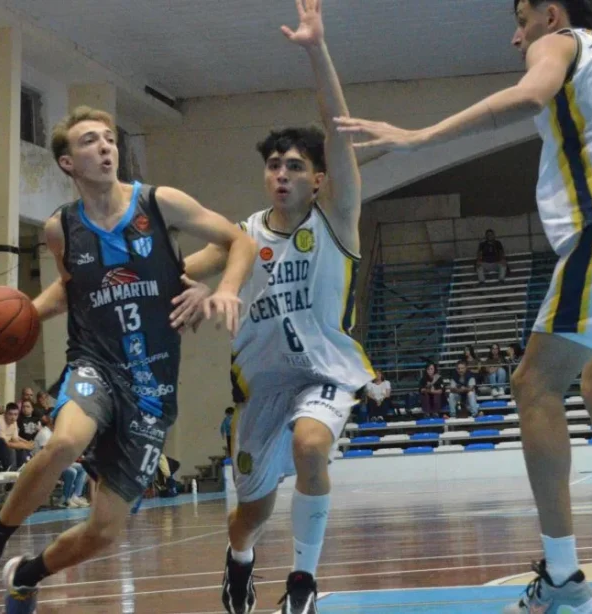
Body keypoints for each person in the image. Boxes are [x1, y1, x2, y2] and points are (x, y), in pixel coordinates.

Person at [336, 2, 592, 611]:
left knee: (534, 385)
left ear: (551, 13)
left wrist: (419, 137)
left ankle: (564, 579)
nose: (518, 38)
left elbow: (527, 97)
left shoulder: (563, 42)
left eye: (521, 20)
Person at [0, 104, 255, 613]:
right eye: (89, 141)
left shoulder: (159, 202)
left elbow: (240, 240)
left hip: (151, 389)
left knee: (105, 532)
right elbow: (74, 290)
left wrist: (222, 289)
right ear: (67, 163)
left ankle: (28, 575)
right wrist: (24, 319)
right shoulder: (61, 230)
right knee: (62, 444)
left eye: (109, 139)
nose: (104, 147)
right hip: (94, 364)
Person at [183, 5, 372, 612]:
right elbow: (178, 274)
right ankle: (240, 565)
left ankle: (303, 581)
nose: (283, 173)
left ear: (319, 180)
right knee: (247, 519)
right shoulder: (241, 236)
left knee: (312, 445)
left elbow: (337, 129)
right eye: (274, 165)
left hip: (323, 372)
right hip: (259, 389)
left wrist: (317, 50)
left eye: (296, 166)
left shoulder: (337, 220)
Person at [33, 415, 89, 508]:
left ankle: (75, 496)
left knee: (82, 468)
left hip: (56, 462)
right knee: (71, 471)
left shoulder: (53, 433)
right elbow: (47, 455)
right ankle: (64, 499)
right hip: (44, 465)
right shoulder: (44, 433)